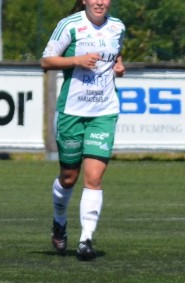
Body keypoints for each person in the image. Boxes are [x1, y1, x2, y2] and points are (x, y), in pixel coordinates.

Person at [40, 0, 126, 261]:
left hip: (104, 112)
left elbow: (115, 53)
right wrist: (76, 60)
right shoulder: (69, 25)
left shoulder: (118, 27)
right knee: (69, 177)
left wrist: (119, 65)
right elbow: (46, 61)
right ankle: (59, 221)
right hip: (72, 112)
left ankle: (86, 239)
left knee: (94, 177)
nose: (100, 2)